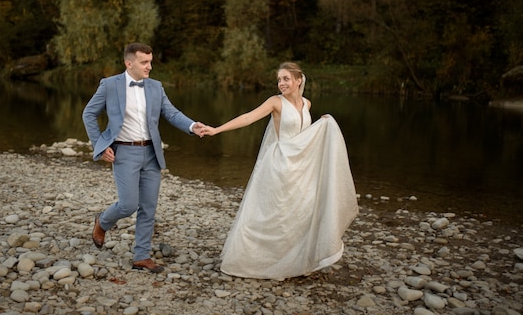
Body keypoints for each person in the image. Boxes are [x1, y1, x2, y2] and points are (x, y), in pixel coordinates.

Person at [201, 62, 359, 280]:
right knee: (274, 212)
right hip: (279, 165)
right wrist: (217, 129)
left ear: (298, 80)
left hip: (301, 167)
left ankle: (292, 260)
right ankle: (256, 261)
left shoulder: (307, 104)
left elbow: (303, 135)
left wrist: (322, 125)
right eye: (279, 79)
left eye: (286, 78)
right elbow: (248, 117)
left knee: (298, 211)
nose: (282, 83)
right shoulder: (276, 102)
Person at [83, 43, 205, 273]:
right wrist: (100, 145)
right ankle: (103, 221)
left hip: (151, 153)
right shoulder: (109, 85)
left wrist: (192, 125)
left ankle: (141, 256)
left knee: (148, 207)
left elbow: (171, 112)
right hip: (124, 152)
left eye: (150, 62)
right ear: (129, 63)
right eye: (144, 62)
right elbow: (89, 113)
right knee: (128, 204)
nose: (149, 66)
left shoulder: (156, 87)